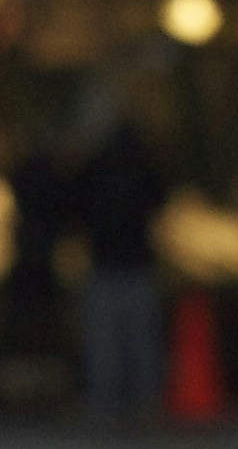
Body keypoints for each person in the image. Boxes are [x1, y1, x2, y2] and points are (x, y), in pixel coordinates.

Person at [65, 90, 173, 428]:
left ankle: (106, 402)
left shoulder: (95, 164)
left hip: (107, 262)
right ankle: (144, 400)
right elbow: (161, 201)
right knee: (140, 339)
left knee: (106, 341)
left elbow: (75, 207)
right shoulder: (144, 162)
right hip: (135, 261)